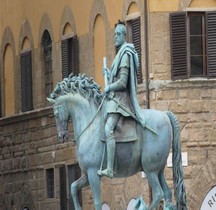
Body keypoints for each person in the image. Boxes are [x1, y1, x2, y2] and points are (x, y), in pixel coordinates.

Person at [97, 21, 146, 178]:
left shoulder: (125, 54)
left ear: (125, 36)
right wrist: (108, 72)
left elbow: (122, 82)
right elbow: (115, 77)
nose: (115, 38)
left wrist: (109, 87)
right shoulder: (119, 54)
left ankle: (110, 169)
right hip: (114, 100)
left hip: (121, 101)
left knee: (108, 128)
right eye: (114, 35)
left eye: (118, 34)